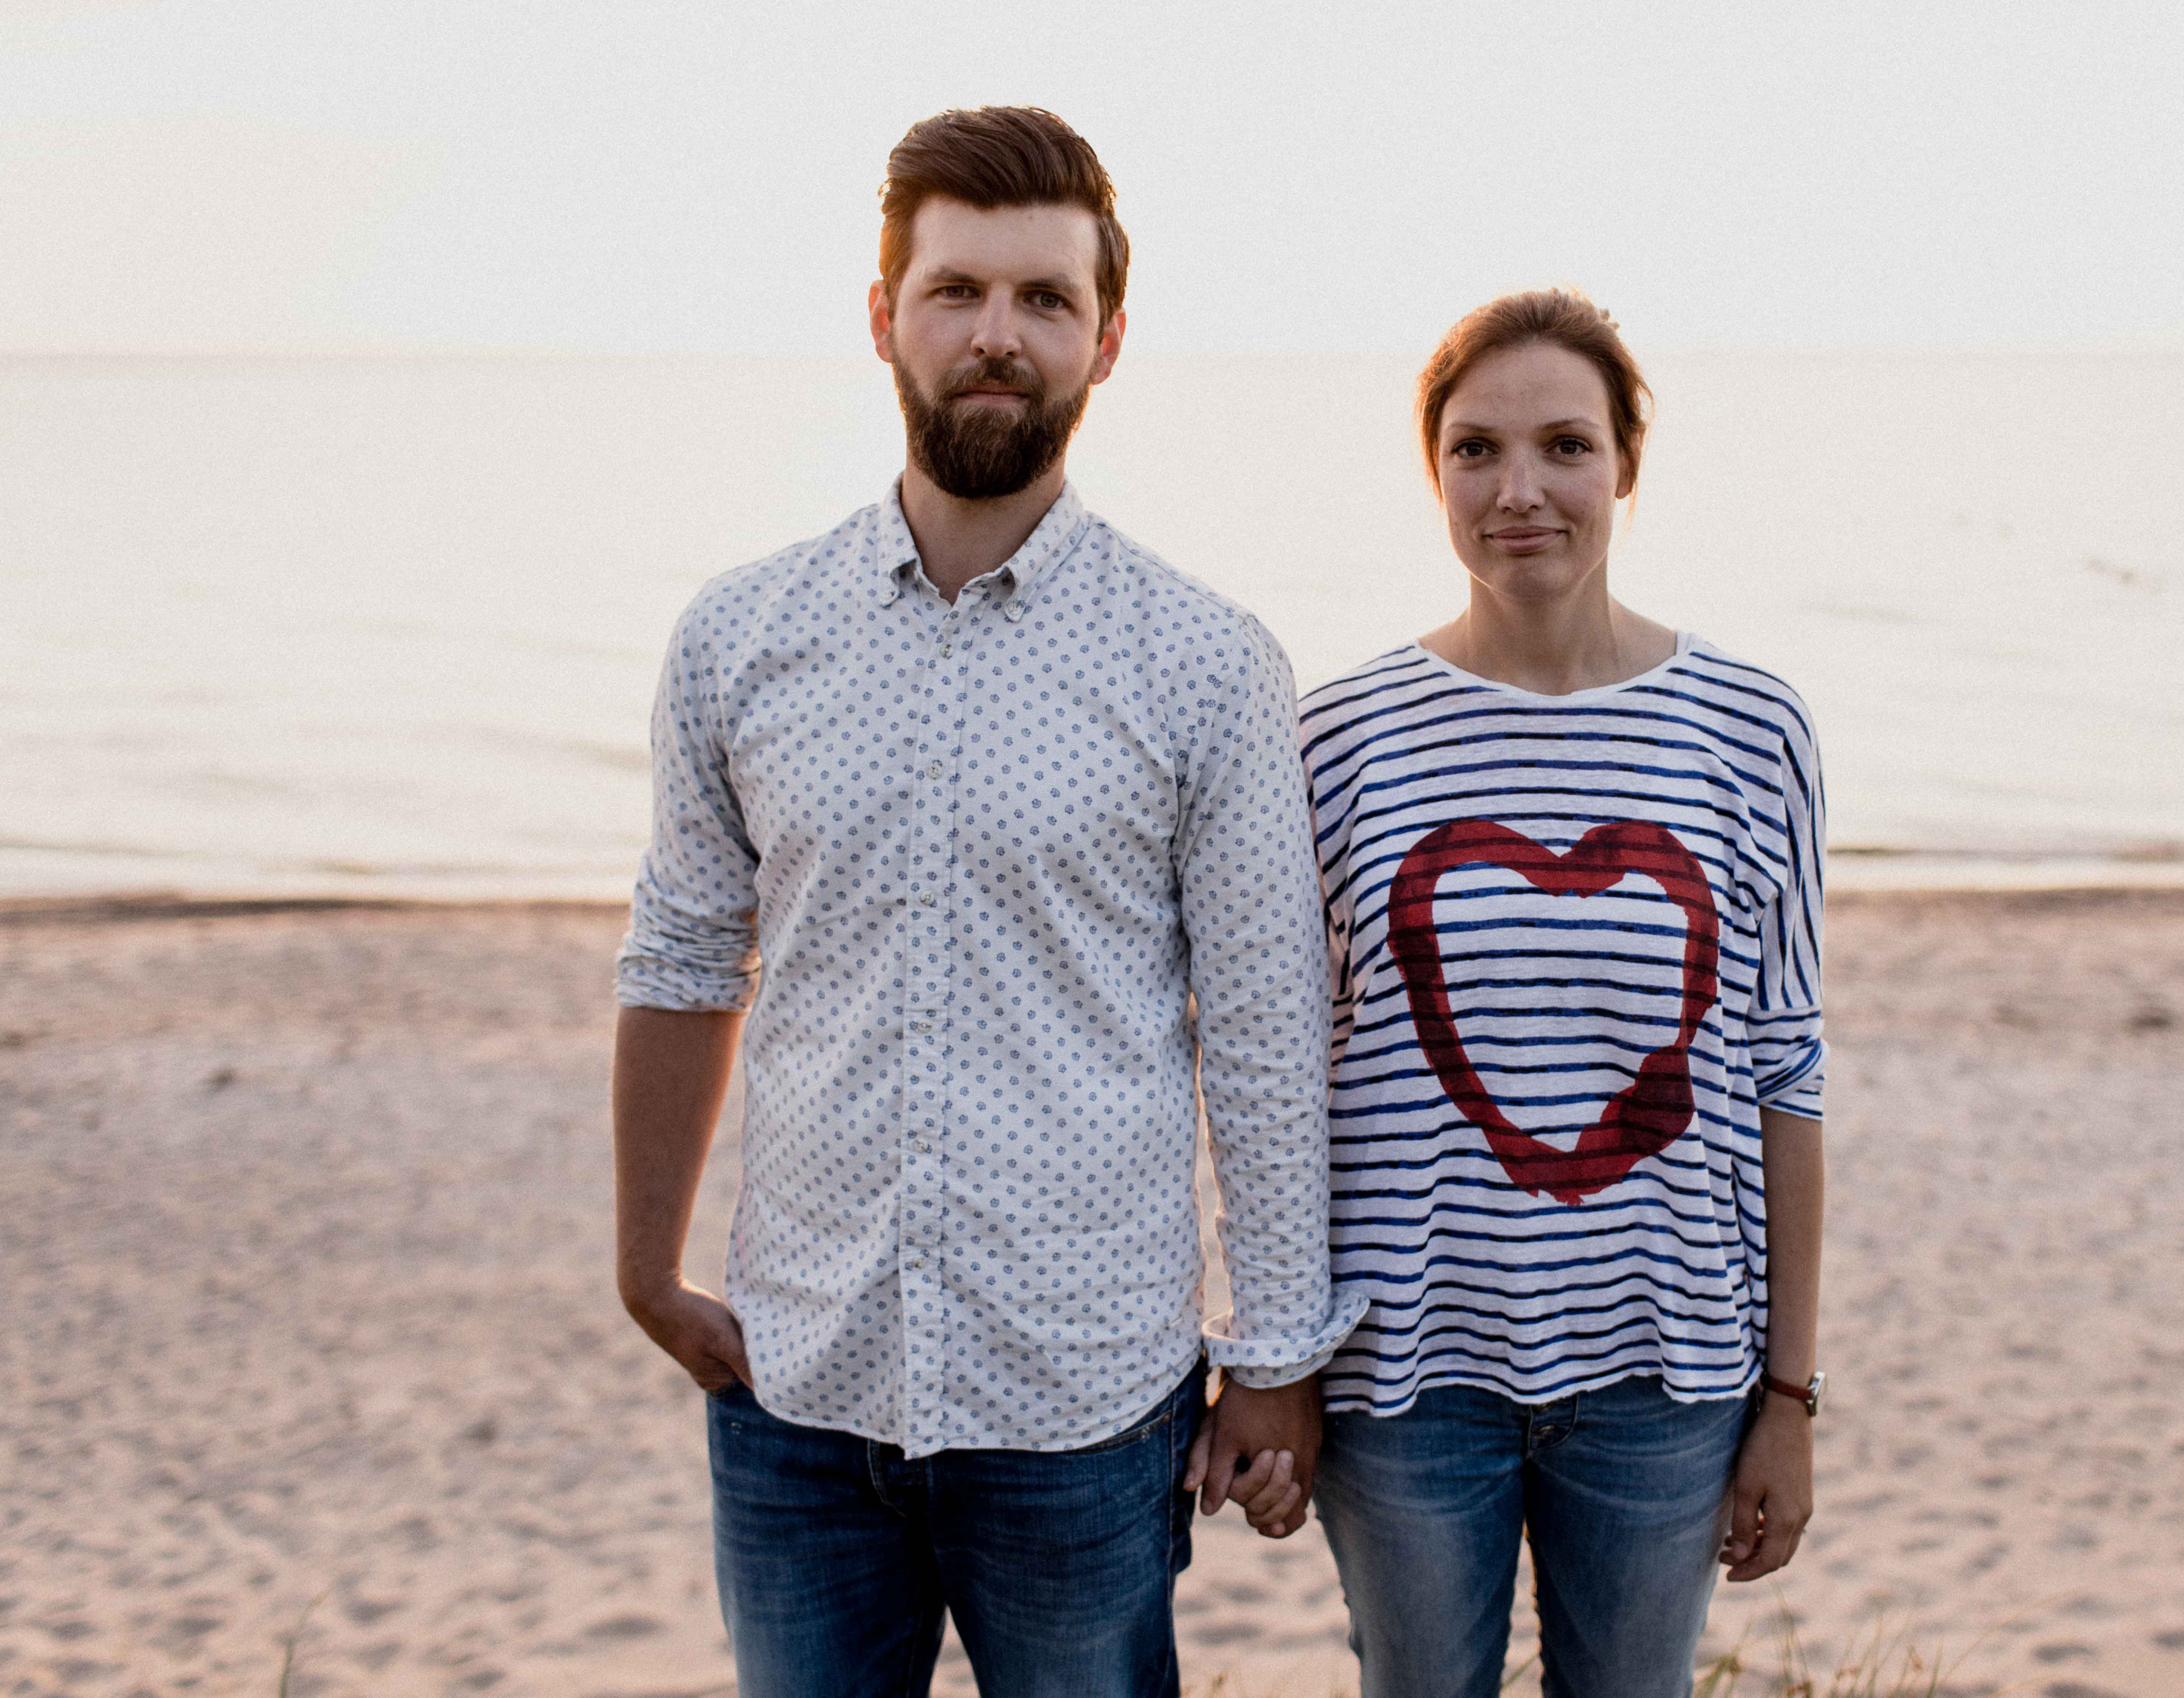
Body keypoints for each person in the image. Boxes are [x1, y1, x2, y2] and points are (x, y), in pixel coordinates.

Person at [610, 106, 1362, 1698]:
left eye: (1044, 300)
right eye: (957, 291)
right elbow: (683, 950)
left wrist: (1279, 1356)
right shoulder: (740, 637)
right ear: (882, 314)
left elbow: (1265, 1025)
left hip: (1083, 1405)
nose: (997, 336)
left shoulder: (1205, 663)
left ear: (1107, 340)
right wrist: (643, 1262)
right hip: (796, 1384)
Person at [1299, 289, 1827, 1698]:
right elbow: (1278, 1073)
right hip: (1406, 1373)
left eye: (1563, 446)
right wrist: (1277, 1355)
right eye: (1473, 450)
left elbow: (1788, 1071)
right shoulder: (1335, 738)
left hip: (1666, 1367)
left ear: (1625, 468)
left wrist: (1790, 1396)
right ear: (1432, 475)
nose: (1517, 489)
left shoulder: (1752, 727)